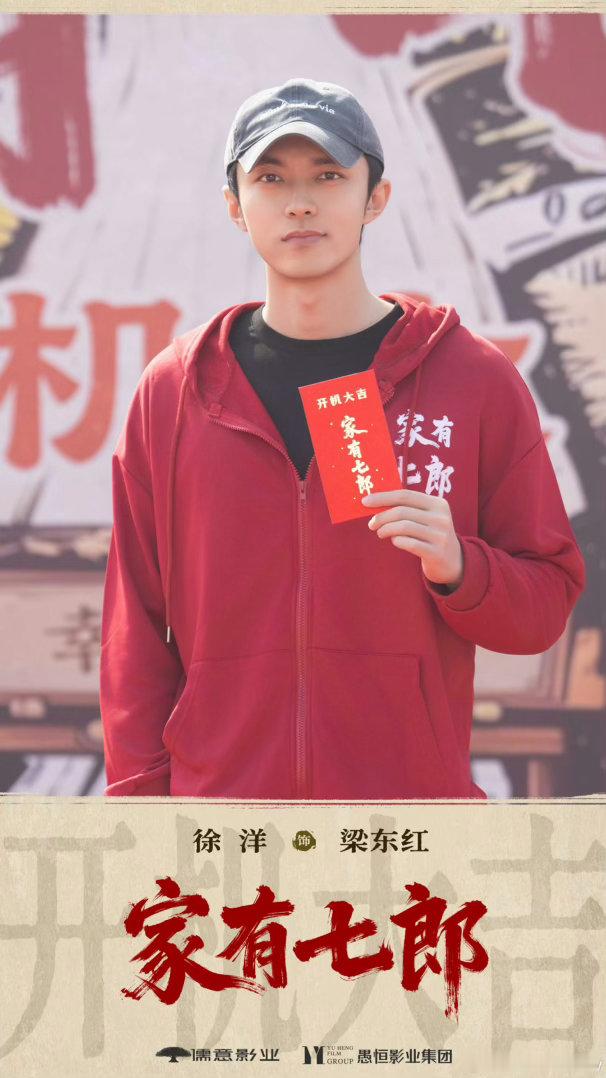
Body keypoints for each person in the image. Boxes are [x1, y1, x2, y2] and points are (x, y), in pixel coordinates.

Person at [100, 78, 585, 799]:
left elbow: (544, 605)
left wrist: (461, 566)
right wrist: (141, 815)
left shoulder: (469, 378)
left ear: (374, 198)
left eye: (328, 176)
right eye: (271, 178)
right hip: (224, 824)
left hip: (406, 822)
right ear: (234, 205)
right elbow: (133, 633)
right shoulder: (177, 390)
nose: (300, 202)